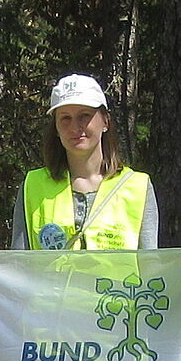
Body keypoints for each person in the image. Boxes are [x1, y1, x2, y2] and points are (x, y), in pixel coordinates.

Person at [12, 75, 158, 250]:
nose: (75, 127)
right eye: (65, 118)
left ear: (105, 121)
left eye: (84, 116)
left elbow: (151, 267)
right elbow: (17, 267)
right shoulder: (32, 186)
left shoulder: (138, 188)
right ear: (56, 128)